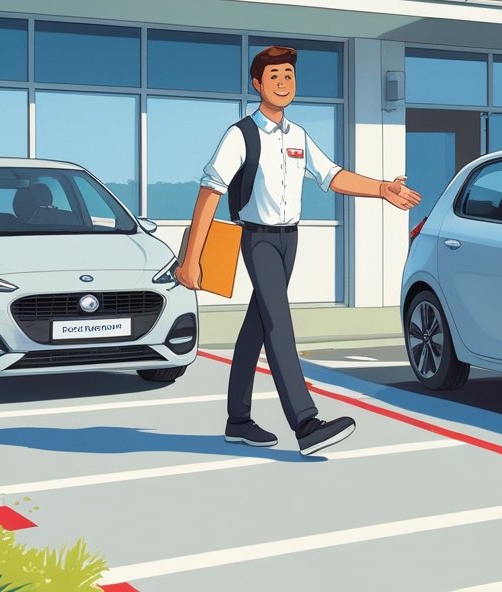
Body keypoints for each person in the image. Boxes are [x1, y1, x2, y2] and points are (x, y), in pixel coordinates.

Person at [175, 45, 421, 456]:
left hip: (291, 239)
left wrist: (381, 189)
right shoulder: (241, 134)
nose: (283, 83)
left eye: (288, 75)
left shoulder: (298, 136)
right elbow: (210, 190)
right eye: (274, 76)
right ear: (257, 84)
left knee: (256, 328)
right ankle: (305, 423)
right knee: (279, 325)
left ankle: (238, 421)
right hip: (258, 239)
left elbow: (332, 175)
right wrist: (191, 259)